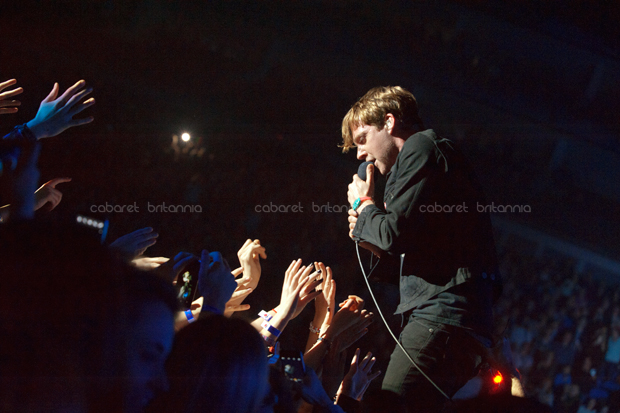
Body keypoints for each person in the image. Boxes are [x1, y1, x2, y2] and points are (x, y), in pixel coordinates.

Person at [343, 86, 501, 411]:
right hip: (453, 319)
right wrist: (369, 231)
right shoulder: (422, 162)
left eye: (362, 139)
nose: (359, 154)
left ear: (389, 122)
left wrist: (365, 205)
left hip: (443, 315)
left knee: (392, 405)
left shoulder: (419, 147)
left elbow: (393, 235)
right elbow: (402, 247)